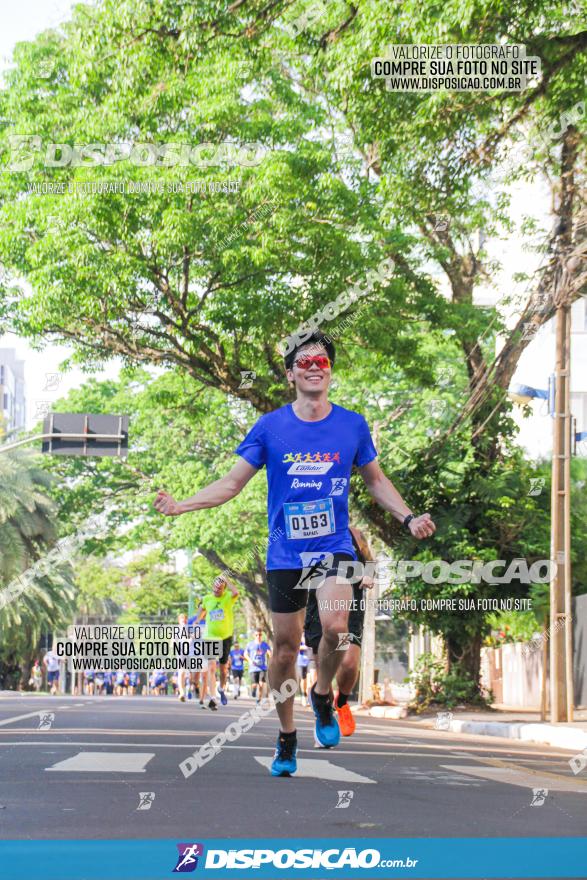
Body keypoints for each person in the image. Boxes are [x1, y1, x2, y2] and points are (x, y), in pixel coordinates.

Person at [154, 330, 435, 776]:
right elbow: (231, 484)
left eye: (321, 361)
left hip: (333, 545)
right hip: (286, 551)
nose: (313, 367)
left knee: (338, 628)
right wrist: (181, 505)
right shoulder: (270, 427)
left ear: (330, 372)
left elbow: (376, 481)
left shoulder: (352, 425)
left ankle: (322, 695)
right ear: (290, 374)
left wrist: (407, 517)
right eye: (304, 362)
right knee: (284, 650)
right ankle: (287, 737)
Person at [304, 525, 373, 739]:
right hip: (319, 608)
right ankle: (323, 713)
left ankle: (341, 701)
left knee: (349, 662)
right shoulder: (305, 530)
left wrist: (368, 574)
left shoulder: (355, 535)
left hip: (350, 608)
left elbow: (369, 561)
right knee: (326, 663)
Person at [198, 576, 239, 706]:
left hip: (225, 637)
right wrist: (196, 622)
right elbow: (201, 611)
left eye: (220, 588)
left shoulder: (228, 597)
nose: (216, 589)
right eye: (215, 587)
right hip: (210, 636)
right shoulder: (206, 599)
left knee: (223, 670)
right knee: (211, 666)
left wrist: (226, 579)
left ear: (224, 589)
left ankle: (221, 688)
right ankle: (213, 697)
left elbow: (236, 592)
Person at [245, 629, 271, 703]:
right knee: (254, 684)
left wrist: (270, 655)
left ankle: (259, 699)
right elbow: (245, 654)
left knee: (261, 684)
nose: (258, 636)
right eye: (257, 635)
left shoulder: (264, 644)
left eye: (260, 635)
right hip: (253, 668)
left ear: (261, 635)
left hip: (262, 667)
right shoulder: (250, 644)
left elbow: (269, 653)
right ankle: (253, 690)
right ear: (254, 636)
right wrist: (250, 661)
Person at [296, 635, 310, 706]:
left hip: (310, 661)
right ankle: (304, 695)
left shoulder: (310, 634)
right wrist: (304, 647)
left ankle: (309, 698)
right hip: (301, 662)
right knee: (303, 680)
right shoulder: (299, 637)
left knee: (309, 680)